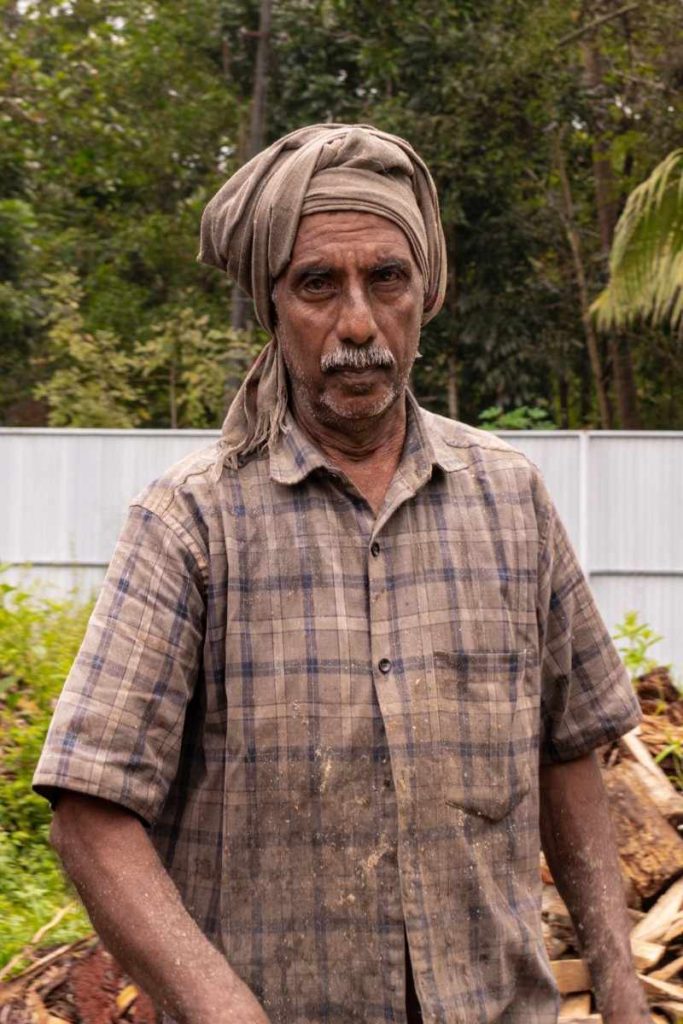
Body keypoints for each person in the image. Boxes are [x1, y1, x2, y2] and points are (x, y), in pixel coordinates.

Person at [34, 123, 650, 1024]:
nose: (356, 324)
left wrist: (622, 986)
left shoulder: (509, 499)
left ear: (425, 293)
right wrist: (224, 1010)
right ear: (272, 304)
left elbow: (568, 753)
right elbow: (89, 815)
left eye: (385, 279)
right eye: (318, 284)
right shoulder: (191, 522)